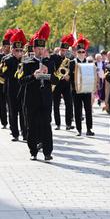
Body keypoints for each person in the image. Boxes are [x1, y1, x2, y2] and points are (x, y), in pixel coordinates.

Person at [18, 22, 56, 161]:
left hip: (45, 99)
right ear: (34, 49)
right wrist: (34, 75)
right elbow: (21, 81)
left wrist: (49, 74)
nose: (40, 51)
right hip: (31, 99)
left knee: (47, 126)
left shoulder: (50, 63)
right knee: (32, 126)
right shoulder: (27, 63)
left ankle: (48, 152)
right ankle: (33, 151)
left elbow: (55, 80)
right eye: (38, 48)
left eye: (42, 48)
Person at [0, 29, 26, 141]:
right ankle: (15, 133)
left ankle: (25, 133)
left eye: (21, 50)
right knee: (13, 112)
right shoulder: (7, 60)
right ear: (13, 50)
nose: (19, 52)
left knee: (23, 112)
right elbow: (4, 73)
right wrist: (17, 73)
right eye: (17, 50)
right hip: (11, 89)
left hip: (22, 89)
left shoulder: (25, 60)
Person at [69, 35, 95, 137]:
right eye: (79, 52)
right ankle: (78, 129)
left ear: (85, 53)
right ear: (76, 52)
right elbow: (70, 76)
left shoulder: (89, 62)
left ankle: (89, 129)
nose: (81, 53)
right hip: (76, 90)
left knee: (88, 110)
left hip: (87, 90)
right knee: (77, 110)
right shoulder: (72, 62)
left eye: (82, 52)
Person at [51, 34, 75, 131]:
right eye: (62, 50)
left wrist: (69, 76)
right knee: (56, 104)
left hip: (66, 84)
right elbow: (51, 69)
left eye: (66, 51)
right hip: (56, 84)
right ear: (60, 49)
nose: (64, 52)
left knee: (69, 104)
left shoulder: (70, 59)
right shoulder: (54, 57)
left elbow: (73, 70)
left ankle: (68, 123)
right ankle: (58, 124)